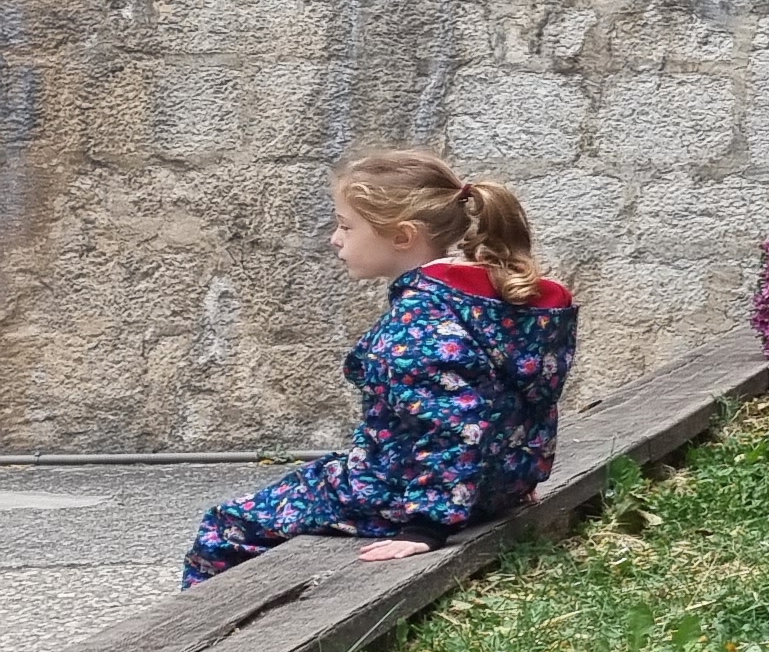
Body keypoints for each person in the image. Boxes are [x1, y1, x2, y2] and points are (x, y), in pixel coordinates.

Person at [184, 152, 579, 586]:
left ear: (403, 236)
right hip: (496, 487)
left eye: (346, 226)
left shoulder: (420, 324)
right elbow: (521, 407)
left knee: (224, 528)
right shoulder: (494, 304)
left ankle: (190, 646)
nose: (335, 239)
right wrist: (508, 482)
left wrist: (426, 526)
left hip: (401, 492)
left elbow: (453, 424)